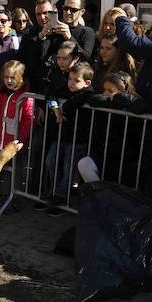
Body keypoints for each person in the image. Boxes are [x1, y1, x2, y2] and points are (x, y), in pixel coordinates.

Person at [77, 71, 146, 186]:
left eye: (111, 91)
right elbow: (92, 99)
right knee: (84, 164)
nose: (106, 93)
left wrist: (118, 97)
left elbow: (140, 106)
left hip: (125, 160)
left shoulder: (131, 102)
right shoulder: (106, 101)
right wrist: (111, 100)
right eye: (105, 90)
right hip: (103, 155)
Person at [43, 61, 95, 216]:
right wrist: (55, 109)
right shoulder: (63, 89)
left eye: (76, 80)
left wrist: (62, 109)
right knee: (50, 161)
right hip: (60, 135)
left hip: (77, 139)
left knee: (68, 167)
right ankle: (54, 191)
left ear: (86, 83)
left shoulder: (88, 93)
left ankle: (61, 195)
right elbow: (50, 95)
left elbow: (77, 101)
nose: (71, 83)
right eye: (70, 79)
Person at [0, 59, 34, 152]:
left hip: (14, 146)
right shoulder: (0, 94)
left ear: (21, 78)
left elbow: (30, 120)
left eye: (13, 77)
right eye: (6, 77)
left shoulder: (25, 97)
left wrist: (20, 140)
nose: (9, 80)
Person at [18, 0, 56, 92]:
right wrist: (40, 38)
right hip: (34, 87)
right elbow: (22, 59)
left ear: (54, 12)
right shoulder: (29, 34)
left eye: (45, 13)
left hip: (55, 89)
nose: (42, 17)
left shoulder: (63, 33)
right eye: (38, 14)